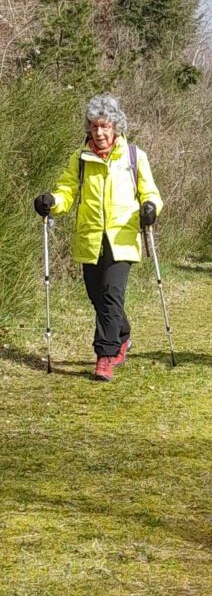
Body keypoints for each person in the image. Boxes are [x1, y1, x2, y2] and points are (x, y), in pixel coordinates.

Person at [33, 93, 163, 382]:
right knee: (97, 295)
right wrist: (52, 201)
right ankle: (123, 335)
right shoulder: (80, 158)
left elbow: (151, 193)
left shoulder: (134, 156)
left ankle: (105, 355)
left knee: (111, 294)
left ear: (115, 126)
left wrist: (150, 208)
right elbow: (67, 191)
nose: (99, 132)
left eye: (105, 126)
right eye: (94, 126)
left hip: (122, 238)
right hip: (90, 237)